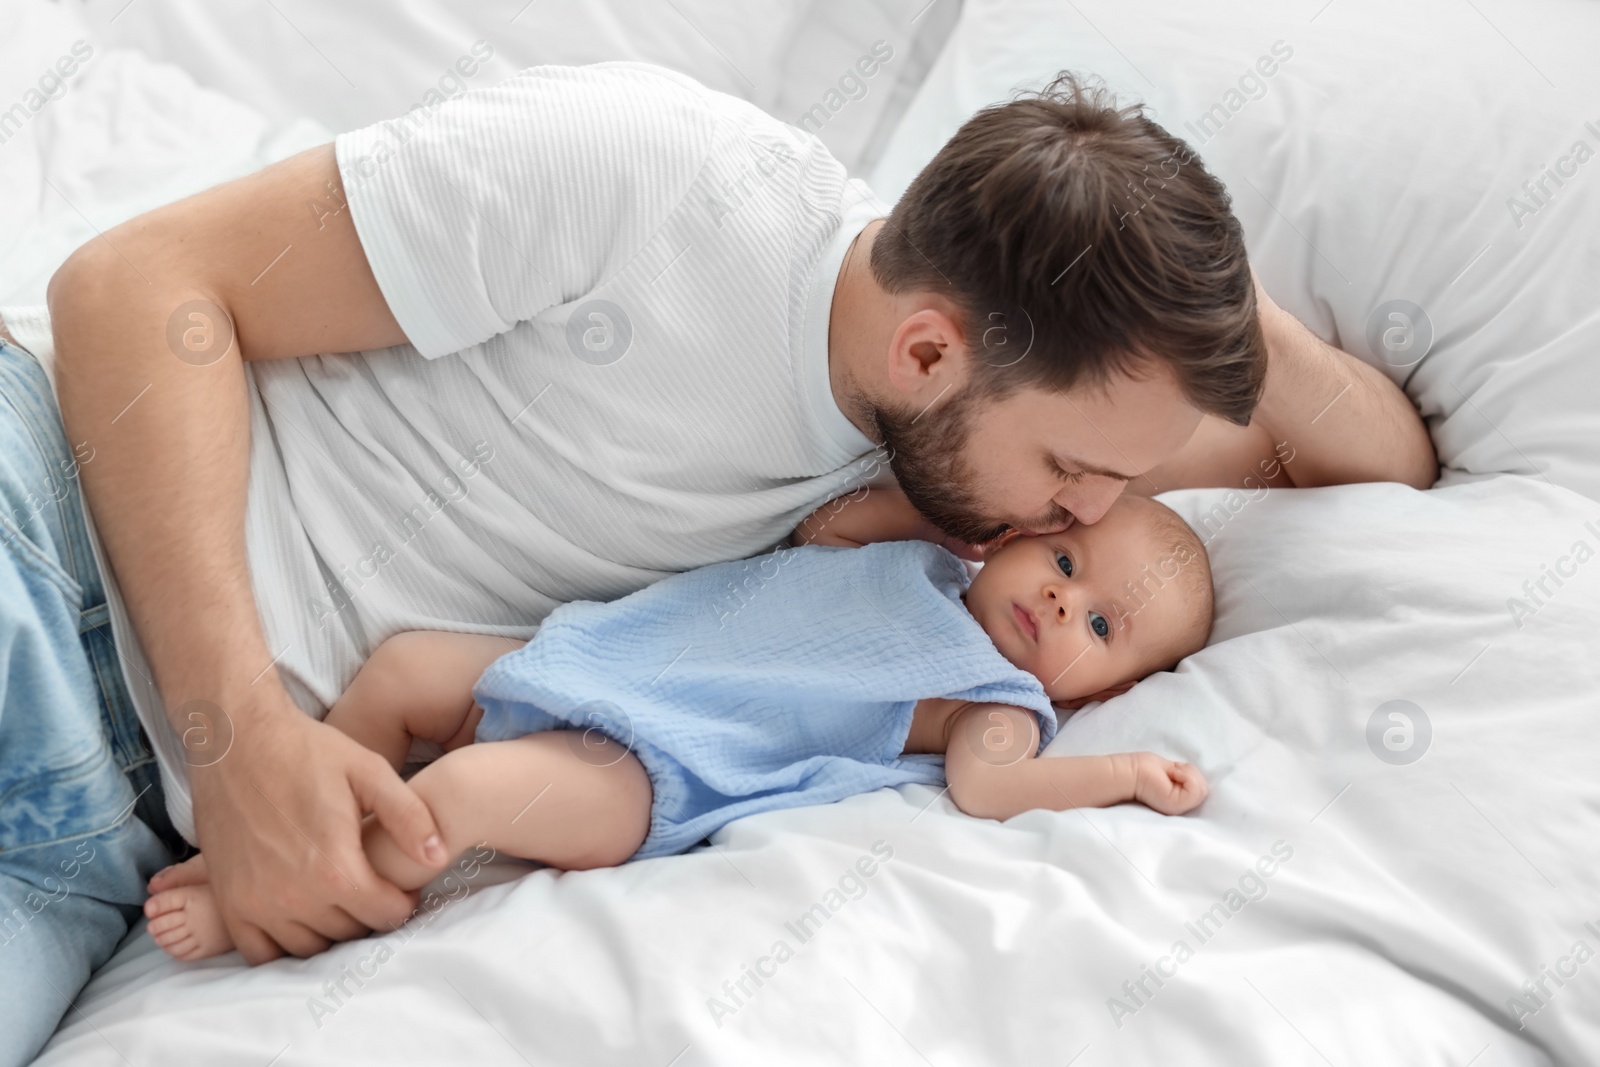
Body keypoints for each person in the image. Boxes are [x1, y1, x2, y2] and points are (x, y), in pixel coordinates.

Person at [1, 60, 1434, 1061]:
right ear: (927, 347)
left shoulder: (971, 441)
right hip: (50, 542)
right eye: (1070, 474)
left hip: (109, 839)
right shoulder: (651, 170)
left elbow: (1374, 457)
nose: (1072, 524)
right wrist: (237, 733)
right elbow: (135, 286)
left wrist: (1195, 293)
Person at [140, 493, 1213, 962]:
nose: (1065, 603)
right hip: (598, 663)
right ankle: (289, 821)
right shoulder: (926, 562)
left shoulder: (997, 697)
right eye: (1065, 564)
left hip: (655, 765)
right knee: (404, 668)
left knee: (459, 800)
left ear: (1101, 686)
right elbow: (825, 527)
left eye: (1104, 624)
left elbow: (987, 788)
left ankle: (271, 899)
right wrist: (951, 520)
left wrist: (1116, 770)